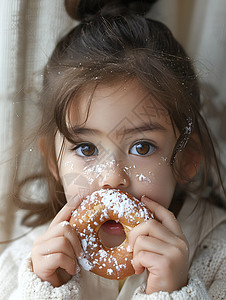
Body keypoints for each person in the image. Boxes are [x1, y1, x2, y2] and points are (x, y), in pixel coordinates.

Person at [1, 0, 226, 299]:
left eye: (142, 147)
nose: (112, 178)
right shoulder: (26, 260)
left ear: (187, 158)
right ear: (53, 162)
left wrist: (172, 292)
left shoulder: (218, 257)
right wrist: (44, 291)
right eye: (85, 148)